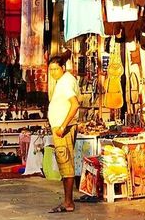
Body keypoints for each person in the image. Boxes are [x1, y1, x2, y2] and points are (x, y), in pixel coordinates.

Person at [47, 55, 80, 213]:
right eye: (51, 69)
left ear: (63, 68)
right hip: (61, 127)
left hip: (63, 129)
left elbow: (75, 105)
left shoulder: (66, 82)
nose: (53, 72)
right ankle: (68, 200)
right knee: (64, 163)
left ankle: (68, 202)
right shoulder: (64, 81)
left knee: (66, 164)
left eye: (55, 69)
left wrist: (63, 126)